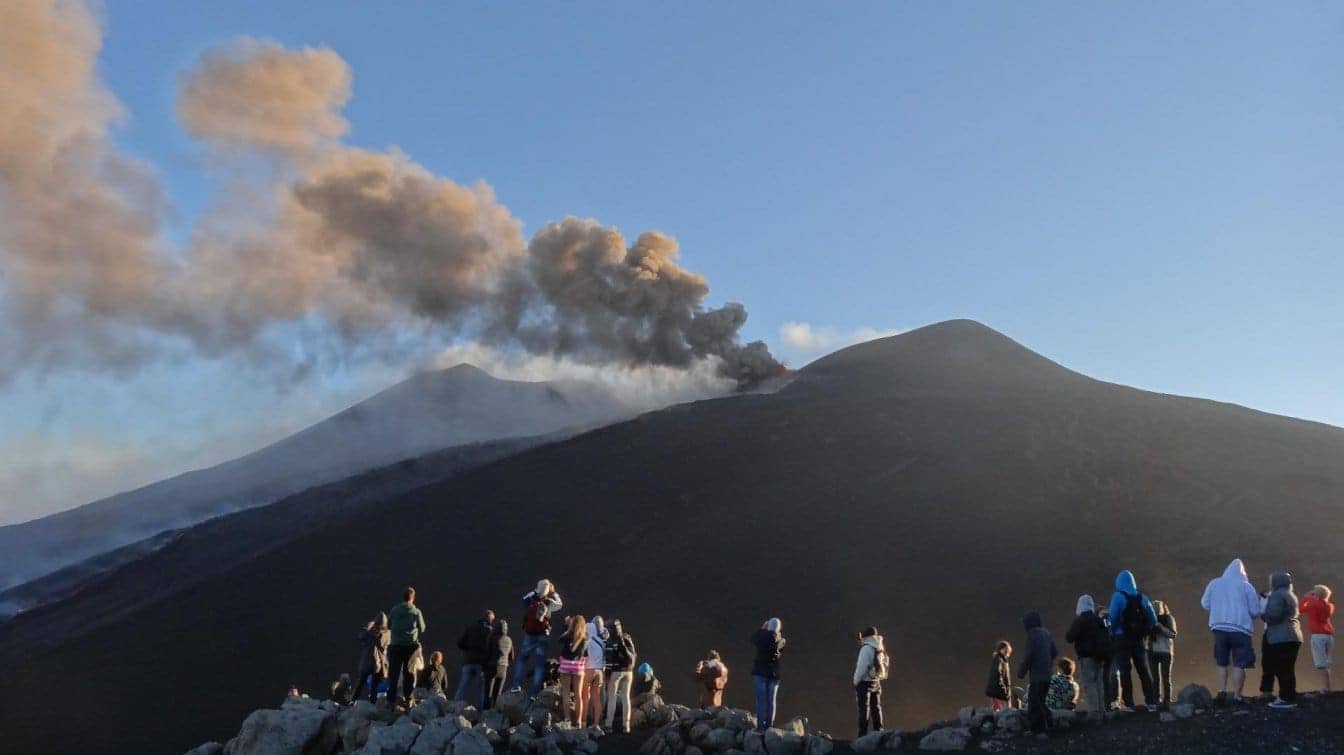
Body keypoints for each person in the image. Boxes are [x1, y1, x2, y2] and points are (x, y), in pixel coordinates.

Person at [1200, 558, 1262, 703]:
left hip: (1219, 628)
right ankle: (1237, 695)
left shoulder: (1214, 583)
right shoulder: (1246, 586)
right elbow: (1254, 611)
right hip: (1241, 629)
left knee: (1222, 661)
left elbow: (1204, 603)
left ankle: (1221, 691)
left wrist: (1217, 610)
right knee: (1240, 663)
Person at [1107, 570, 1159, 712]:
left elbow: (1113, 617)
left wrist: (1113, 631)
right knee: (1143, 670)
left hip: (1121, 638)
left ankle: (1129, 704)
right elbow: (1153, 619)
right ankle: (1152, 701)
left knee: (1125, 671)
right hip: (1139, 639)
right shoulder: (1143, 598)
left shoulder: (1117, 597)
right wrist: (1145, 630)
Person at [512, 579, 564, 696]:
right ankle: (534, 693)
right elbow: (560, 604)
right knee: (540, 664)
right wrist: (554, 592)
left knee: (522, 659)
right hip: (542, 634)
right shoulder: (549, 601)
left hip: (529, 634)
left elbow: (523, 599)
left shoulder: (530, 600)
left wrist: (536, 591)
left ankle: (515, 686)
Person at [1261, 571, 1303, 709]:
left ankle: (1286, 699)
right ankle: (1288, 695)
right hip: (1294, 635)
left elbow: (1274, 616)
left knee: (1282, 669)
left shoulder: (1277, 594)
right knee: (1288, 668)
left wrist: (1263, 613)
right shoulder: (1290, 594)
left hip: (1281, 637)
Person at [1065, 595, 1110, 719]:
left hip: (1086, 657)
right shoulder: (1098, 620)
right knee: (1100, 684)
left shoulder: (1080, 620)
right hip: (1100, 657)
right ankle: (1102, 710)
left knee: (1089, 684)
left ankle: (1094, 712)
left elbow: (1069, 637)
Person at [1016, 610, 1058, 737]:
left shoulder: (1032, 635)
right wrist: (1048, 661)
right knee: (1041, 701)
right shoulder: (1046, 633)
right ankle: (1049, 724)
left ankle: (1038, 731)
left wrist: (1021, 672)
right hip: (1047, 674)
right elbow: (1054, 652)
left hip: (1037, 675)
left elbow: (1029, 655)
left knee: (1034, 703)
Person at [387, 587, 428, 707]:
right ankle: (408, 698)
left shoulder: (395, 610)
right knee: (409, 673)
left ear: (403, 597)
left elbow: (388, 625)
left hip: (395, 646)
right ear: (413, 598)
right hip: (411, 647)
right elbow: (423, 628)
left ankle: (391, 699)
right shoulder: (416, 612)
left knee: (394, 673)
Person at [751, 618, 786, 732]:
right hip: (774, 674)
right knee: (771, 701)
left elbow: (753, 639)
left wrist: (762, 628)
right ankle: (769, 726)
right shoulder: (781, 640)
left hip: (760, 672)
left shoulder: (762, 636)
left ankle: (760, 727)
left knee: (761, 700)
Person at [456, 610, 495, 709]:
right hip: (481, 664)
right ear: (490, 619)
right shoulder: (490, 631)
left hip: (468, 661)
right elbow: (491, 648)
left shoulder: (471, 627)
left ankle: (455, 706)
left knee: (463, 686)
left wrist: (469, 649)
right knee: (480, 690)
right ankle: (479, 712)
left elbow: (460, 643)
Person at [852, 627, 887, 737]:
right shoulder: (880, 647)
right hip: (876, 681)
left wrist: (855, 681)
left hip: (864, 682)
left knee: (864, 709)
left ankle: (863, 734)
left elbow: (861, 668)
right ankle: (879, 730)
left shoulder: (866, 649)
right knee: (876, 707)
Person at [604, 620, 638, 733]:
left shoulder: (610, 641)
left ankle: (609, 725)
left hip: (616, 672)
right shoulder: (627, 636)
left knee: (612, 697)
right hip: (629, 671)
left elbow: (608, 661)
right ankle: (626, 726)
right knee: (626, 697)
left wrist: (606, 675)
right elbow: (633, 654)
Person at [1300, 585, 1334, 692]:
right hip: (1328, 635)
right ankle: (1328, 686)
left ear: (1317, 594)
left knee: (1321, 663)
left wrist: (1306, 598)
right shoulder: (1330, 605)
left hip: (1318, 635)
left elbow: (1301, 609)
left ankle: (1326, 688)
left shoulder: (1313, 604)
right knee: (1327, 662)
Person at [557, 615, 590, 725]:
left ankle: (567, 719)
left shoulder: (567, 635)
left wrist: (566, 626)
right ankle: (579, 721)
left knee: (566, 693)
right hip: (578, 667)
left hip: (566, 665)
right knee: (578, 694)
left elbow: (559, 640)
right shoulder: (586, 637)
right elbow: (585, 653)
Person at [352, 614, 391, 703]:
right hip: (380, 664)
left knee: (360, 684)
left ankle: (353, 701)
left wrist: (368, 627)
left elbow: (361, 636)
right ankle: (372, 703)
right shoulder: (388, 633)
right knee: (374, 686)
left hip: (368, 661)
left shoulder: (371, 633)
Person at [1148, 600, 1178, 709]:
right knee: (1154, 678)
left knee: (1166, 677)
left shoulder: (1169, 619)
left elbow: (1172, 634)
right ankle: (1156, 701)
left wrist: (1160, 627)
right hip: (1151, 651)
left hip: (1165, 651)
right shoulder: (1149, 619)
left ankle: (1167, 700)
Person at [584, 616, 609, 727]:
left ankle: (585, 720)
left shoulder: (588, 635)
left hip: (589, 669)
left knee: (586, 695)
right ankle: (597, 722)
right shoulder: (604, 639)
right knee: (598, 696)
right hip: (600, 670)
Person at [486, 618, 515, 709]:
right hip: (503, 669)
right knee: (498, 694)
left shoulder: (492, 638)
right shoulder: (509, 640)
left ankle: (485, 712)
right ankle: (495, 713)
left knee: (488, 693)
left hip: (492, 666)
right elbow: (512, 657)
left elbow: (487, 652)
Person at [985, 641, 1013, 712]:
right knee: (1005, 712)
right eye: (1007, 650)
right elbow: (997, 676)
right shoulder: (999, 660)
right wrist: (1005, 692)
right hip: (999, 693)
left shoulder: (1000, 660)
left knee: (996, 712)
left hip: (996, 692)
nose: (1008, 653)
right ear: (1002, 649)